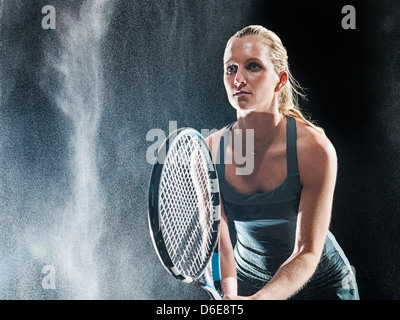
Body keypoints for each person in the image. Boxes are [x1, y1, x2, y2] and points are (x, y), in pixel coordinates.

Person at [206, 25, 359, 300]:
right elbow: (220, 240)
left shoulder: (314, 149)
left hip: (323, 286)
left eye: (253, 66)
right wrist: (230, 296)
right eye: (231, 68)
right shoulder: (209, 151)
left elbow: (307, 251)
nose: (238, 79)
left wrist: (260, 300)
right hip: (248, 282)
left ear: (280, 80)